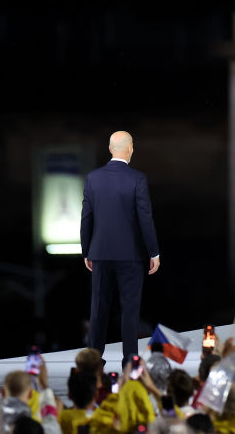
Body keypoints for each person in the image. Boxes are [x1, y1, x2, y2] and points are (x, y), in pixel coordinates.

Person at [81, 131, 161, 363]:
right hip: (131, 255)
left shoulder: (93, 178)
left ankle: (93, 359)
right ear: (130, 149)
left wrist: (87, 251)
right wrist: (153, 252)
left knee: (98, 308)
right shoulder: (137, 179)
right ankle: (129, 360)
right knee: (130, 310)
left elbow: (86, 217)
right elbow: (145, 218)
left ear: (110, 149)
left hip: (100, 253)